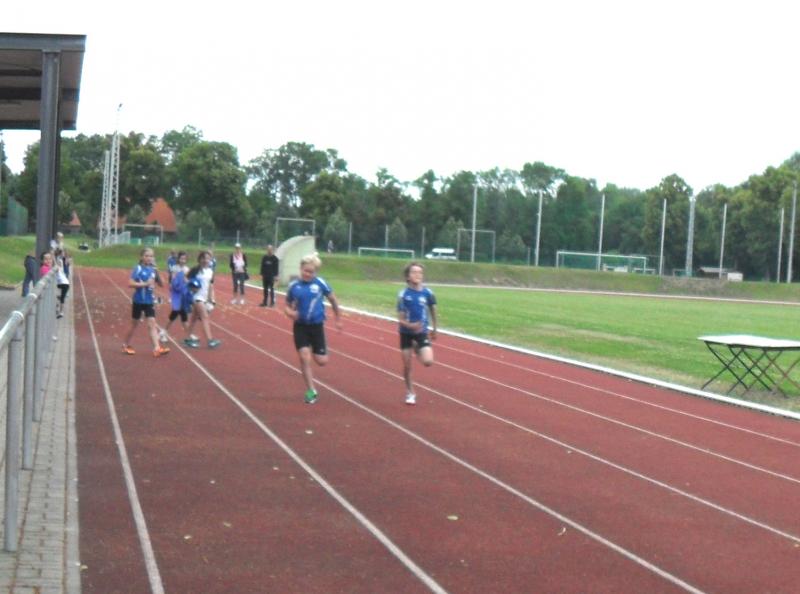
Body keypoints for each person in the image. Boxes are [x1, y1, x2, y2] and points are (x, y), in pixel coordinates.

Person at [284, 253, 342, 404]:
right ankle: (311, 390)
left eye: (311, 272)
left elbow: (333, 300)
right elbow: (287, 306)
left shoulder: (320, 283)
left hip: (317, 327)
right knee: (304, 357)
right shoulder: (294, 286)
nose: (308, 274)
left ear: (315, 272)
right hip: (300, 327)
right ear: (300, 269)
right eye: (305, 271)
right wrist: (291, 313)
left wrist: (338, 319)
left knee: (322, 361)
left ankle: (319, 348)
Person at [397, 262, 437, 405]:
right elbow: (401, 319)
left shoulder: (428, 293)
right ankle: (410, 392)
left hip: (421, 332)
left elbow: (433, 310)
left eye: (420, 272)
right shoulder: (403, 295)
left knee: (428, 361)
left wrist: (435, 328)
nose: (417, 275)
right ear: (408, 276)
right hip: (406, 333)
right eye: (414, 272)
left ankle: (416, 347)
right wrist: (411, 325)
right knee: (407, 365)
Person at [122, 247, 170, 358]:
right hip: (139, 300)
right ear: (142, 257)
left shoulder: (153, 269)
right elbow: (130, 283)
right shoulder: (138, 268)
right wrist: (144, 284)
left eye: (151, 256)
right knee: (134, 324)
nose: (149, 258)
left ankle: (157, 348)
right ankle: (125, 344)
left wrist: (157, 271)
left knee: (152, 323)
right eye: (147, 256)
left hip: (149, 301)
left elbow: (162, 284)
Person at [184, 250, 221, 349]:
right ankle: (210, 340)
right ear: (199, 259)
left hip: (204, 298)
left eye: (208, 258)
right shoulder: (195, 270)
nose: (205, 260)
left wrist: (210, 299)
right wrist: (192, 286)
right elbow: (185, 279)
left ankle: (187, 338)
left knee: (193, 319)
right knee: (205, 317)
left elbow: (210, 285)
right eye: (203, 258)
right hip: (196, 297)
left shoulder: (210, 271)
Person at [160, 251, 195, 343]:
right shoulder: (175, 268)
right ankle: (164, 332)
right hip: (177, 295)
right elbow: (173, 281)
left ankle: (164, 332)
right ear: (178, 259)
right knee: (178, 313)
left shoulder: (187, 269)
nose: (183, 260)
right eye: (181, 258)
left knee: (181, 314)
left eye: (184, 259)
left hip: (184, 294)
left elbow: (188, 281)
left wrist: (188, 283)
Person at [54, 248, 71, 319]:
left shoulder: (59, 264)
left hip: (64, 284)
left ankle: (61, 312)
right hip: (62, 283)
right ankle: (58, 309)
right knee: (60, 297)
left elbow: (59, 263)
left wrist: (56, 260)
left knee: (62, 298)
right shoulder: (59, 262)